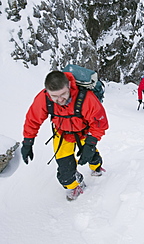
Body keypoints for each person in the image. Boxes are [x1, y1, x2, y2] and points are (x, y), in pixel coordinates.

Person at [21, 70, 109, 201]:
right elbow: (32, 120)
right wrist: (28, 141)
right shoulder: (44, 98)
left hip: (84, 133)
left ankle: (96, 166)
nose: (60, 99)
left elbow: (99, 123)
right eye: (54, 96)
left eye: (63, 94)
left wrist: (91, 143)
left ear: (69, 85)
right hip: (62, 134)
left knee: (90, 154)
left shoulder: (85, 98)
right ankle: (74, 185)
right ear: (47, 91)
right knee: (65, 170)